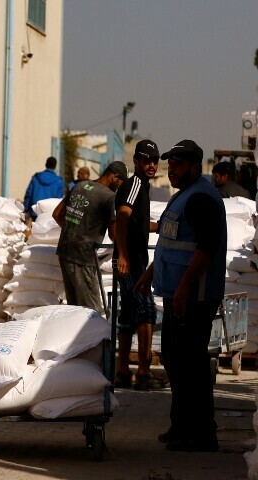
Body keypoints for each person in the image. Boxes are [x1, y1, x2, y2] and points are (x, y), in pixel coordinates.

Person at [135, 139, 226, 452]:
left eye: (176, 165)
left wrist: (185, 287)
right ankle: (182, 426)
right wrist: (149, 275)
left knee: (192, 366)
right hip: (178, 295)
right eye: (169, 165)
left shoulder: (201, 199)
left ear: (194, 166)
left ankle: (201, 433)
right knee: (175, 360)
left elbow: (205, 248)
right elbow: (167, 240)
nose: (170, 170)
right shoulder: (183, 197)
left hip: (194, 296)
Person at [113, 140, 164, 390]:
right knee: (146, 311)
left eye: (155, 160)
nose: (152, 165)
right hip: (130, 262)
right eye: (146, 160)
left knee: (130, 313)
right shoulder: (135, 184)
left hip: (134, 261)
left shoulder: (142, 187)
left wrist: (160, 226)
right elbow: (121, 218)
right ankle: (143, 374)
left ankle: (122, 372)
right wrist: (123, 255)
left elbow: (137, 224)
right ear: (136, 162)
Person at [53, 161, 127, 314]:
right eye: (120, 183)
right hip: (83, 257)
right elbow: (113, 234)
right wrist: (125, 252)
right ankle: (96, 339)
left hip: (65, 251)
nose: (120, 187)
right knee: (91, 312)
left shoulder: (79, 186)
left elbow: (57, 214)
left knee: (75, 309)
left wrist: (73, 230)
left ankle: (77, 338)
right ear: (114, 177)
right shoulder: (109, 197)